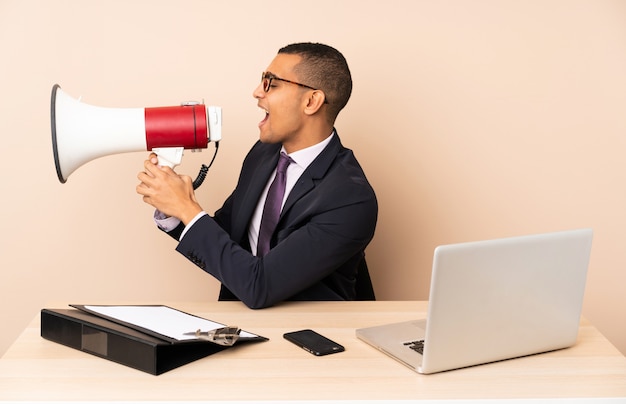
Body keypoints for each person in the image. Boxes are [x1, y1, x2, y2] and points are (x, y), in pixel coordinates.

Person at [136, 42, 378, 309]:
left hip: (309, 335)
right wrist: (173, 210)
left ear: (312, 101)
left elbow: (260, 284)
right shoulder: (263, 155)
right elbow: (228, 235)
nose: (256, 92)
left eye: (271, 84)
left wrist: (187, 208)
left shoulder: (351, 197)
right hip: (244, 324)